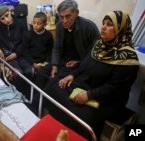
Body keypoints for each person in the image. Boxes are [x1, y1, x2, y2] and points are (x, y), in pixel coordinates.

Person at [44, 11, 139, 140]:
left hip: (106, 98)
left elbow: (116, 88)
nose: (104, 27)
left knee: (78, 114)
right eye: (103, 23)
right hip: (86, 83)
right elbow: (82, 63)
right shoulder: (98, 45)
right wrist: (72, 75)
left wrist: (89, 95)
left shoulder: (128, 59)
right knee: (53, 86)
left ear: (121, 29)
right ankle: (56, 131)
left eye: (110, 25)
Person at [35, 0, 100, 90]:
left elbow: (95, 53)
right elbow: (57, 47)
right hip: (63, 61)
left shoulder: (89, 27)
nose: (64, 21)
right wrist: (54, 65)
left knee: (52, 83)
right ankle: (36, 102)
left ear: (76, 13)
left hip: (79, 65)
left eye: (68, 16)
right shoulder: (59, 26)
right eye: (61, 17)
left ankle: (43, 102)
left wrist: (79, 62)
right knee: (41, 74)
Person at [0, 4, 33, 78]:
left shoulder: (20, 24)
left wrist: (16, 53)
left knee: (30, 71)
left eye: (7, 15)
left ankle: (29, 89)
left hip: (20, 54)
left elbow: (25, 42)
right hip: (6, 58)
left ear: (9, 11)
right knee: (18, 74)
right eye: (2, 18)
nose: (6, 20)